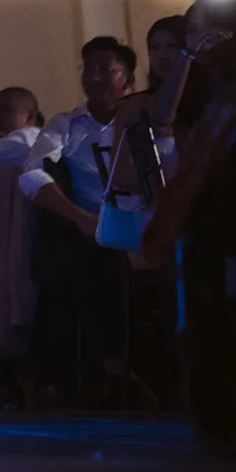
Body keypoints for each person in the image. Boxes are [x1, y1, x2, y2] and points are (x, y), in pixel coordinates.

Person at [19, 37, 170, 405]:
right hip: (95, 226)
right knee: (78, 259)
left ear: (128, 78)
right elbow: (31, 173)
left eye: (108, 69)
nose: (97, 77)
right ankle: (107, 372)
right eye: (90, 69)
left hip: (153, 219)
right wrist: (80, 217)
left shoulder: (146, 117)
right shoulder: (67, 124)